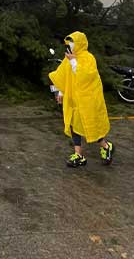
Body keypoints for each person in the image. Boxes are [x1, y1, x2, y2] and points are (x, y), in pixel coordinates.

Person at [49, 31, 114, 168]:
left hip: (87, 99)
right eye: (69, 42)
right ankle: (79, 155)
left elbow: (86, 76)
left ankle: (106, 146)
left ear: (80, 43)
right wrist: (61, 91)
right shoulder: (68, 58)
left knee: (89, 125)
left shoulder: (88, 58)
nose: (70, 45)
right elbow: (63, 76)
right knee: (74, 125)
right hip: (73, 99)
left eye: (72, 42)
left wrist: (73, 60)